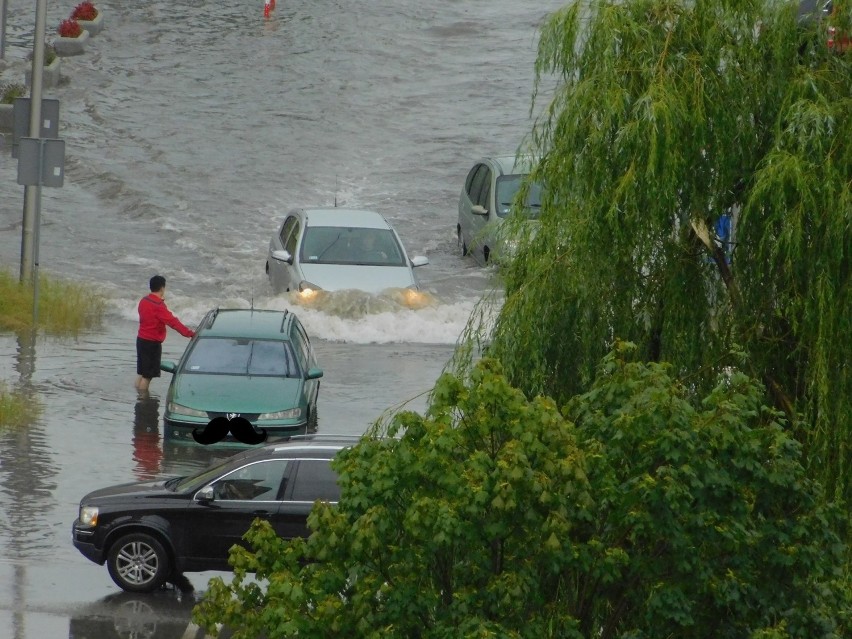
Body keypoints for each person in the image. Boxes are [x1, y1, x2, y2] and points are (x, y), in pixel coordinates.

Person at [135, 275, 195, 392]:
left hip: (141, 340)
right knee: (148, 376)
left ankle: (138, 393)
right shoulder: (158, 306)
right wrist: (189, 333)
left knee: (142, 372)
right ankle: (142, 399)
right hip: (152, 343)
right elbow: (173, 322)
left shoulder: (144, 301)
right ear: (162, 288)